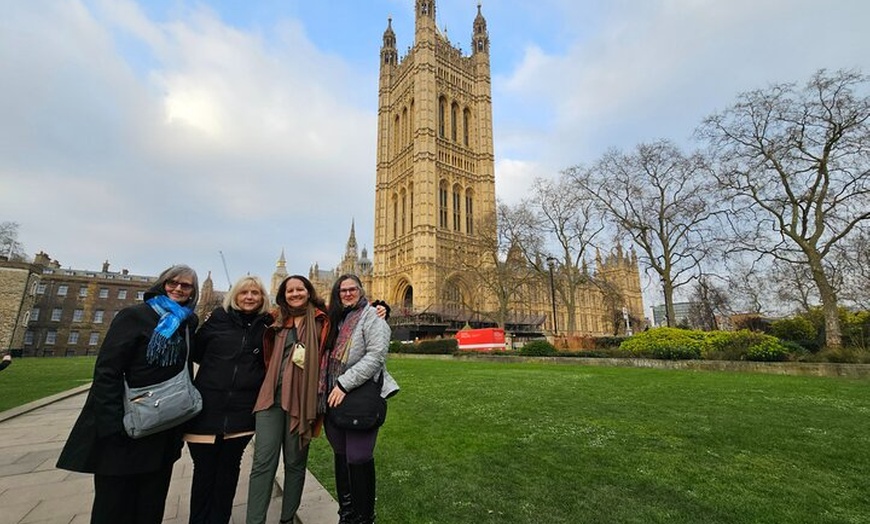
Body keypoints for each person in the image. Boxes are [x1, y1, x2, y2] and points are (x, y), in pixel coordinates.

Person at [56, 264, 200, 524]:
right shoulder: (134, 316)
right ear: (162, 284)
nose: (178, 288)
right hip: (125, 428)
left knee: (150, 506)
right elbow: (107, 372)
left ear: (193, 292)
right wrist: (113, 426)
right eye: (173, 282)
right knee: (113, 507)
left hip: (162, 430)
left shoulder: (187, 324)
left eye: (186, 285)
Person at [184, 275, 272, 524]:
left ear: (262, 298)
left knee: (228, 474)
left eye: (255, 293)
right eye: (244, 292)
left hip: (241, 413)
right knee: (204, 473)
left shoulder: (266, 326)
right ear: (234, 295)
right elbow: (196, 353)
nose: (249, 297)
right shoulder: (217, 320)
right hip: (207, 410)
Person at [246, 275, 330, 524]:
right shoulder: (274, 318)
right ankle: (255, 520)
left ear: (309, 291)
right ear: (283, 295)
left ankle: (287, 518)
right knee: (263, 462)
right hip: (270, 398)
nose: (295, 294)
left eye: (299, 289)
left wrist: (380, 309)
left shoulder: (322, 319)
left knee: (295, 463)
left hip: (302, 400)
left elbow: (349, 316)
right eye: (289, 290)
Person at [323, 274, 399, 524]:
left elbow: (376, 356)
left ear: (361, 290)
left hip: (357, 395)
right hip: (331, 397)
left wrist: (343, 384)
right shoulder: (333, 319)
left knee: (358, 457)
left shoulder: (372, 316)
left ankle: (364, 518)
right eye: (342, 290)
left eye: (352, 289)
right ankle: (347, 515)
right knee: (341, 456)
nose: (347, 293)